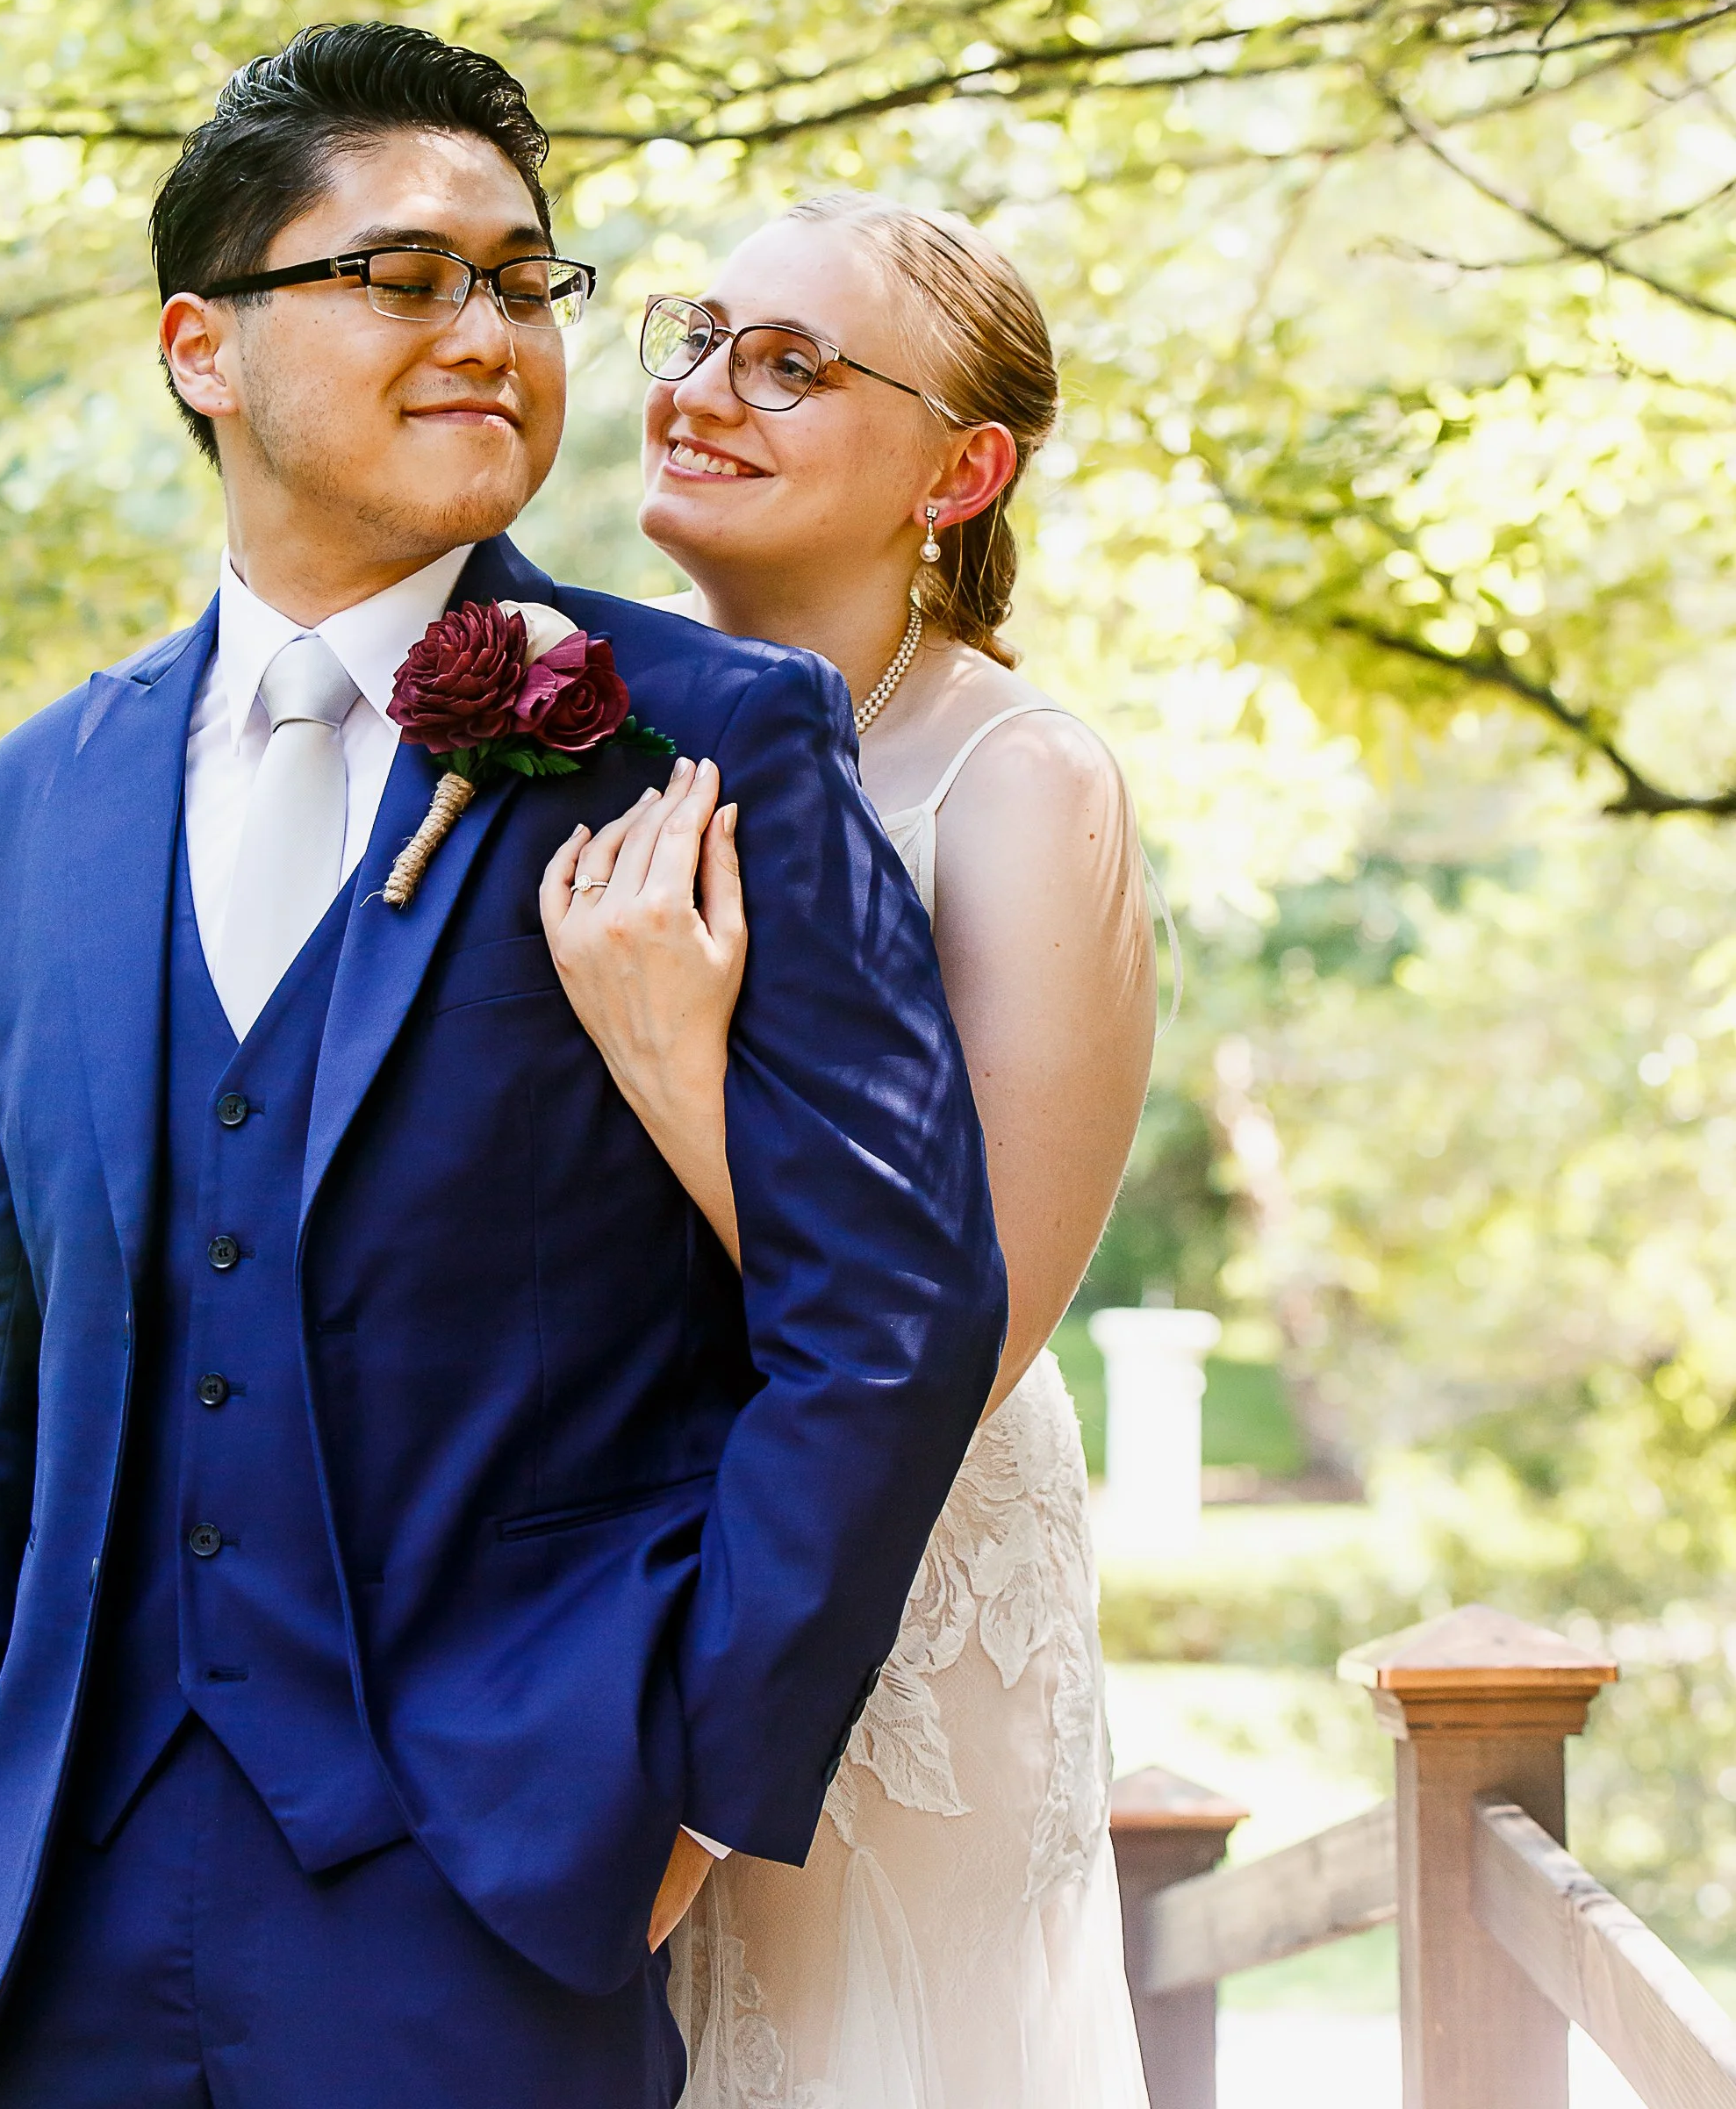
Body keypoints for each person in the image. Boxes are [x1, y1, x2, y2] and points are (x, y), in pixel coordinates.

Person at [0, 35, 1008, 2109]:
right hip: (57, 1908)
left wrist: (700, 1784)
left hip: (496, 1886)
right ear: (206, 346)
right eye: (404, 278)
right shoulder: (34, 801)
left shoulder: (710, 735)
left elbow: (896, 1309)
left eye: (526, 285)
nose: (490, 335)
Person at [541, 192, 1158, 2105]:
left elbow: (969, 1335)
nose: (704, 393)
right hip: (584, 1601)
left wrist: (673, 1067)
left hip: (894, 1612)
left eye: (792, 367)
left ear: (961, 469)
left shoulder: (1016, 784)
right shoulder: (584, 731)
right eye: (701, 335)